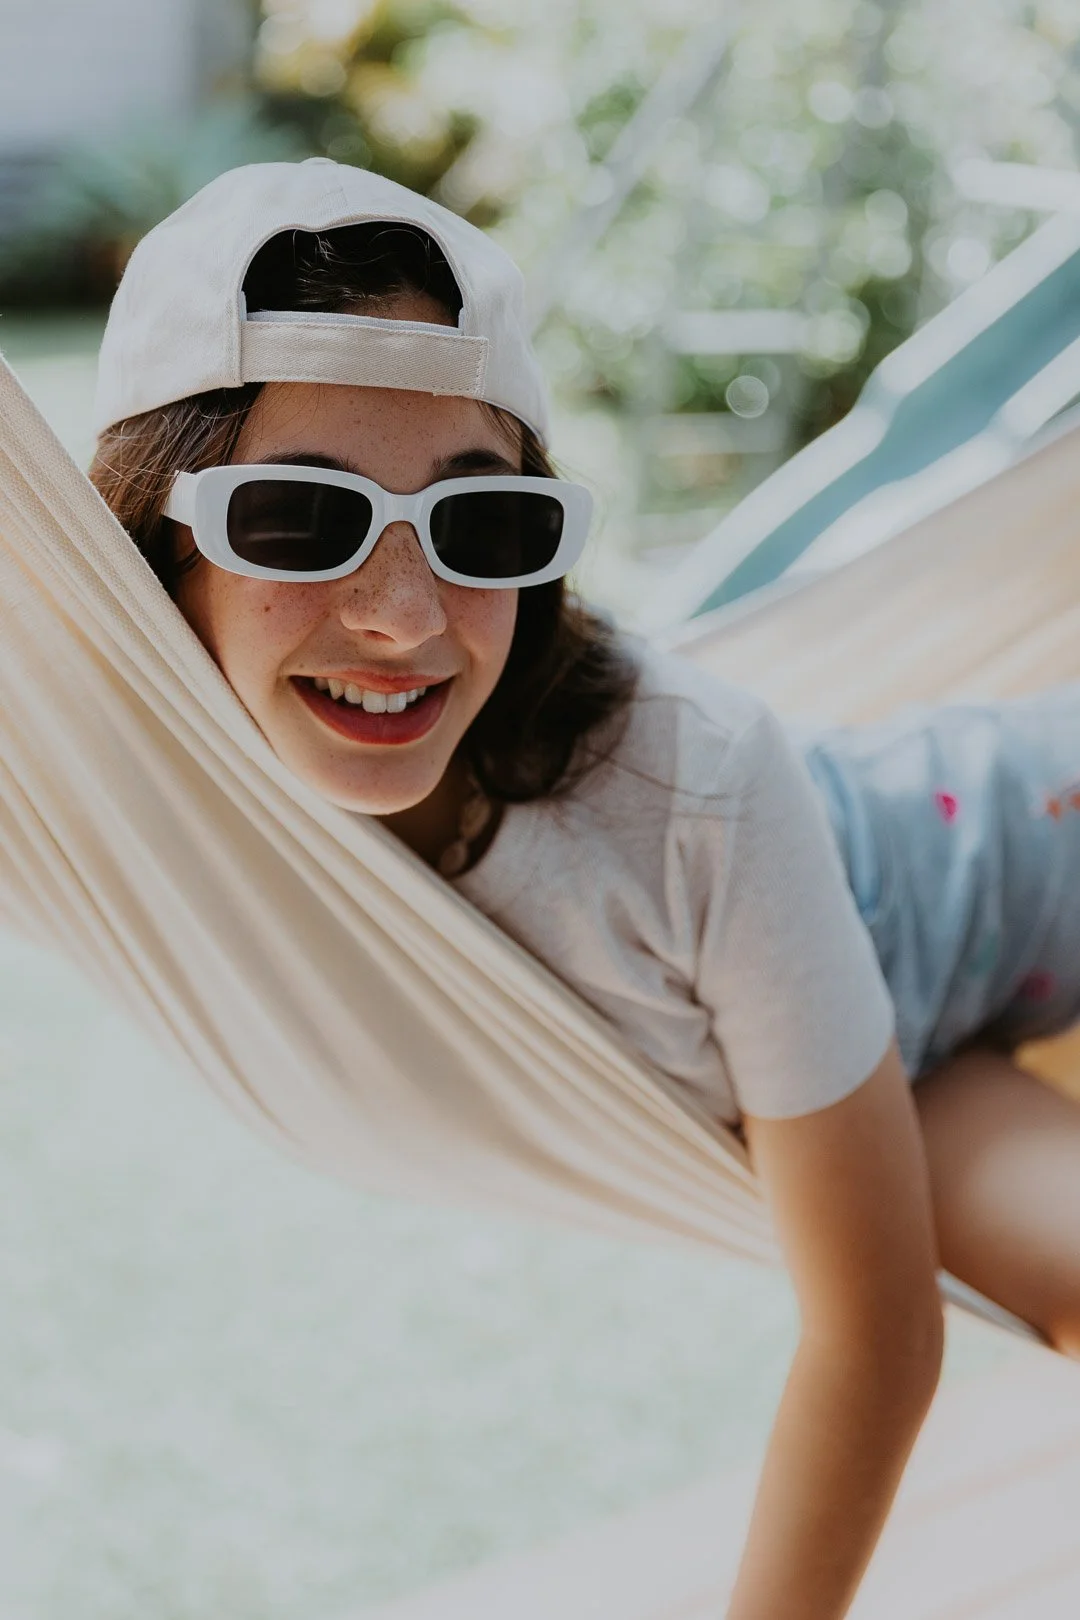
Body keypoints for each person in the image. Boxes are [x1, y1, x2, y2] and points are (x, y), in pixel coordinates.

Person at [88, 158, 1080, 1620]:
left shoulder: (684, 786)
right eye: (300, 518)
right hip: (895, 1054)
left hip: (1004, 845)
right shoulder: (113, 771)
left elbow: (874, 1339)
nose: (405, 615)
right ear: (158, 555)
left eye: (482, 528)